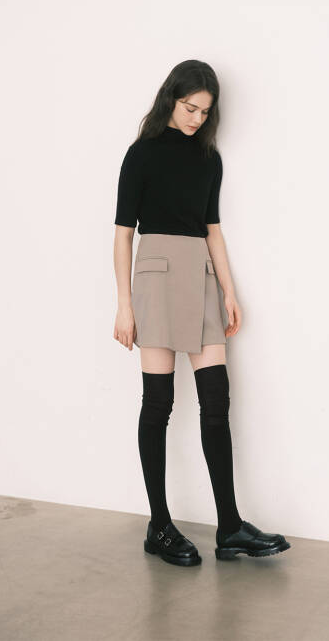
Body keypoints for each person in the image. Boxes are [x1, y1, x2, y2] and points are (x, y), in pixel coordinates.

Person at [113, 59, 291, 567]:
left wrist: (230, 292)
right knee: (159, 403)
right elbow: (123, 234)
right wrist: (124, 304)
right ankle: (159, 525)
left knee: (217, 402)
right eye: (190, 107)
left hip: (203, 277)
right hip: (155, 276)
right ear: (171, 98)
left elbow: (212, 228)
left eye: (204, 112)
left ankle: (229, 527)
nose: (196, 118)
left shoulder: (209, 159)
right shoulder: (141, 154)